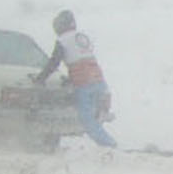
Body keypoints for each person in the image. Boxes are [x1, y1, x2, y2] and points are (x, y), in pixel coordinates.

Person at [32, 10, 116, 147]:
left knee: (86, 118)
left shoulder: (62, 40)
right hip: (98, 78)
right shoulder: (82, 36)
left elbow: (54, 63)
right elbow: (80, 57)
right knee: (97, 115)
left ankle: (108, 145)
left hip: (84, 82)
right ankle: (106, 142)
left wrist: (40, 78)